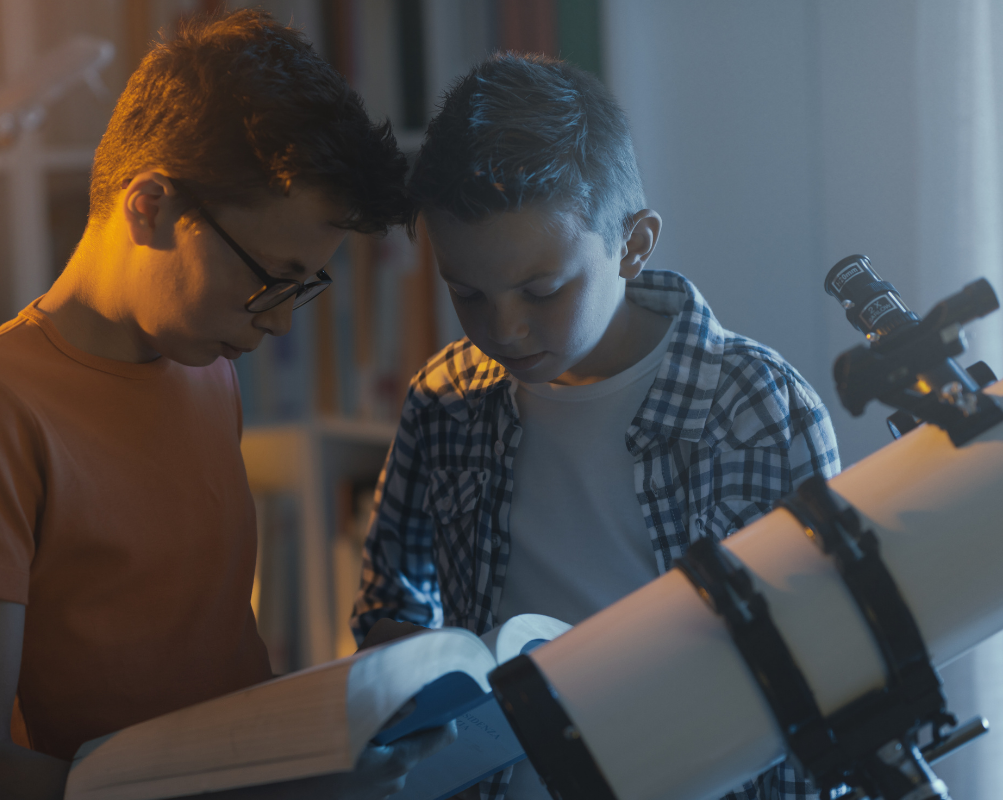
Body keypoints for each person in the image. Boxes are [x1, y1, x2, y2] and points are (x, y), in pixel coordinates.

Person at [0, 11, 453, 800]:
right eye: (269, 279)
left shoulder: (204, 364)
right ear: (151, 205)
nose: (281, 321)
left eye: (305, 287)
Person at [352, 53, 840, 800]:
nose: (505, 328)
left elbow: (822, 662)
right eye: (468, 294)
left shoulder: (754, 408)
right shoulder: (444, 397)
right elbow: (391, 602)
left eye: (541, 289)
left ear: (634, 244)